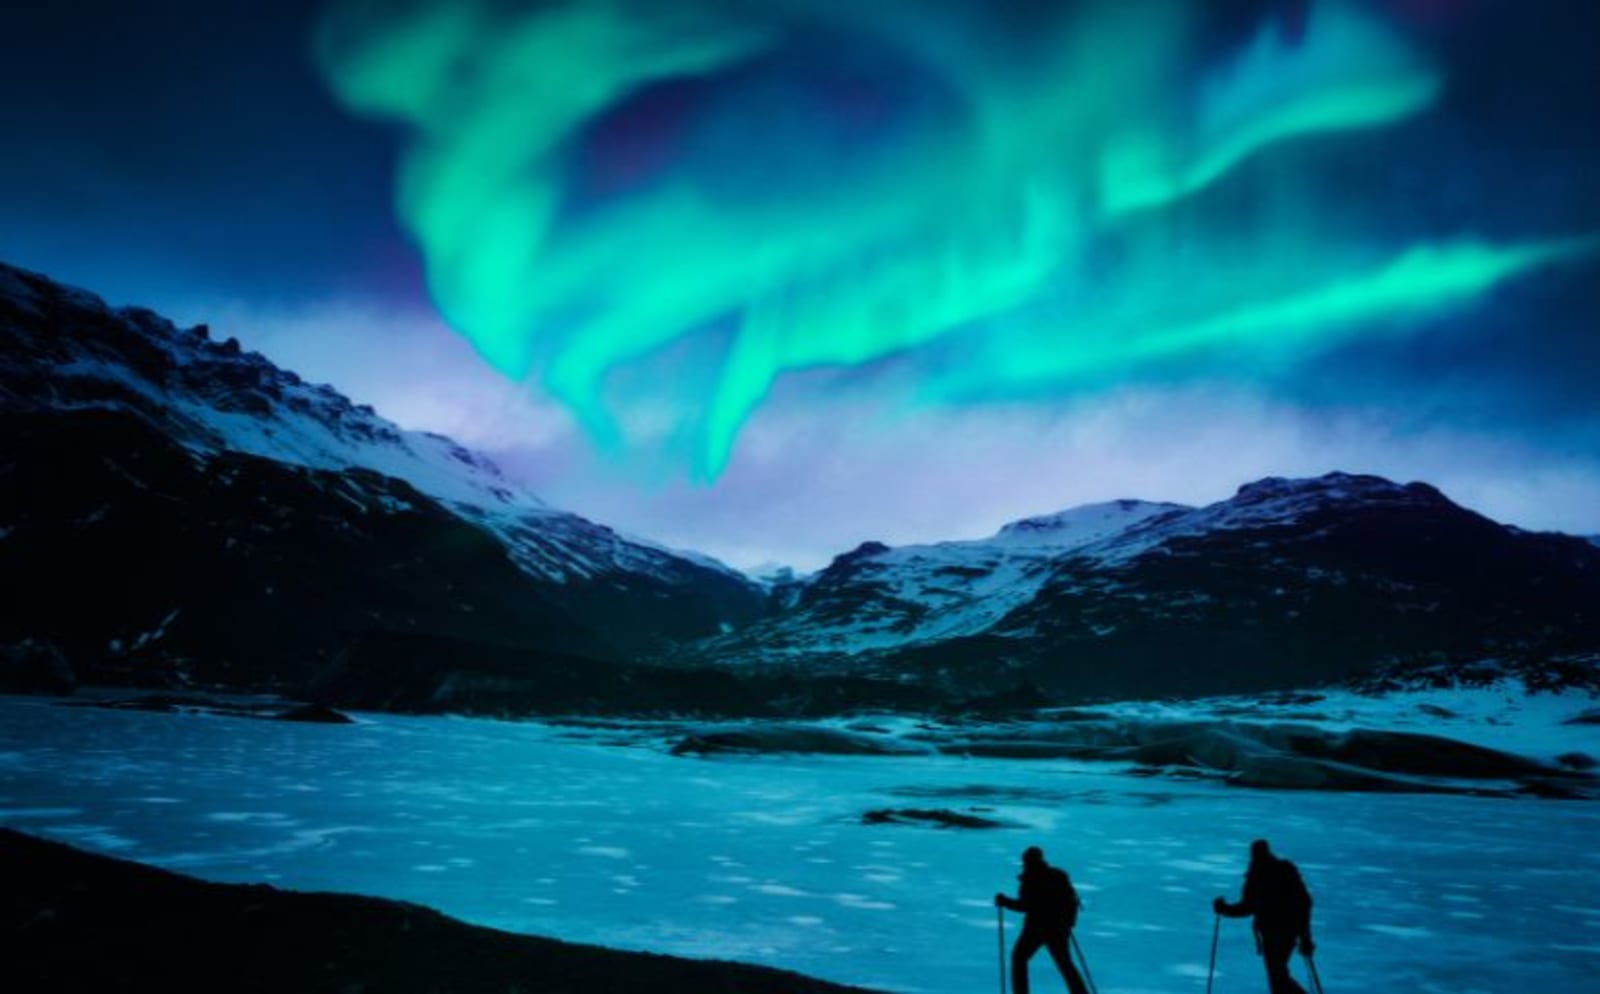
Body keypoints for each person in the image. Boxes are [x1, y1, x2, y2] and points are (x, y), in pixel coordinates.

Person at [1213, 839, 1315, 994]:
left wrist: (1224, 909)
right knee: (1277, 977)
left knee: (1277, 977)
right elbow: (1304, 903)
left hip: (1277, 933)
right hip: (1281, 932)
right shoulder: (1282, 870)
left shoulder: (1260, 875)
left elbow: (1247, 907)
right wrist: (1305, 937)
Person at [994, 846, 1089, 994]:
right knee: (1064, 963)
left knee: (1019, 958)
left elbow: (1026, 906)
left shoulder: (1031, 878)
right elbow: (1071, 900)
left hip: (1036, 928)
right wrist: (1068, 924)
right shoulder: (1058, 876)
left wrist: (1005, 902)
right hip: (1059, 927)